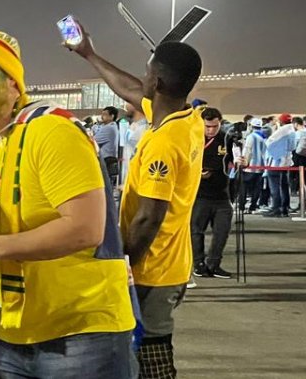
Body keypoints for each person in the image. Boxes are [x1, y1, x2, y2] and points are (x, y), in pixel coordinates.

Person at [0, 30, 134, 378]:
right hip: (13, 330)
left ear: (12, 82)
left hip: (81, 331)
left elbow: (85, 228)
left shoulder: (51, 131)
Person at [69, 25, 204, 379]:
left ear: (157, 82)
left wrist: (120, 266)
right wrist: (88, 52)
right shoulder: (187, 119)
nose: (141, 78)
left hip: (152, 270)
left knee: (150, 356)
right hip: (172, 265)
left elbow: (148, 218)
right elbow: (129, 88)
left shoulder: (164, 141)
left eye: (148, 72)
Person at [191, 107, 234, 279]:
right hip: (199, 195)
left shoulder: (227, 139)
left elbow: (234, 159)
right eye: (207, 126)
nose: (211, 130)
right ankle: (198, 264)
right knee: (196, 231)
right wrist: (197, 173)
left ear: (220, 123)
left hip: (222, 195)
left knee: (222, 231)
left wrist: (241, 162)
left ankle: (214, 264)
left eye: (214, 126)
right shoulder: (192, 138)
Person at [264, 114, 296, 217]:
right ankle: (284, 207)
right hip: (286, 161)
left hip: (276, 162)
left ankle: (276, 208)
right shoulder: (292, 131)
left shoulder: (281, 131)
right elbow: (292, 146)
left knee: (275, 186)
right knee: (284, 185)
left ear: (281, 121)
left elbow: (269, 143)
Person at [95, 106, 121, 185]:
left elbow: (94, 140)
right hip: (110, 158)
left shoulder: (109, 128)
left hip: (106, 159)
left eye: (105, 114)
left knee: (104, 184)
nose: (102, 117)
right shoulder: (113, 126)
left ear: (112, 116)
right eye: (102, 114)